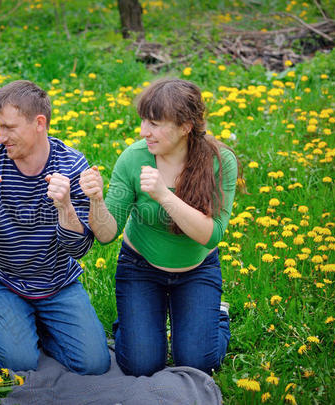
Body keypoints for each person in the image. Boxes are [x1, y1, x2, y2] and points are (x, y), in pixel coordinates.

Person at [80, 78, 238, 376]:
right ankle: (134, 322)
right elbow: (105, 235)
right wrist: (97, 200)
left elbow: (211, 235)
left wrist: (164, 195)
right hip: (141, 268)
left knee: (198, 364)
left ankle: (217, 315)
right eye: (143, 121)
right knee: (141, 364)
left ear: (185, 126)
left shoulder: (220, 161)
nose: (143, 131)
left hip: (197, 270)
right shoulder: (134, 157)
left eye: (154, 123)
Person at [0, 80, 110, 375]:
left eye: (9, 127)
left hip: (57, 284)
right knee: (20, 364)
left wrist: (65, 207)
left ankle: (33, 323)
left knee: (95, 365)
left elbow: (79, 249)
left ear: (39, 123)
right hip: (1, 279)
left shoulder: (72, 165)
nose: (0, 137)